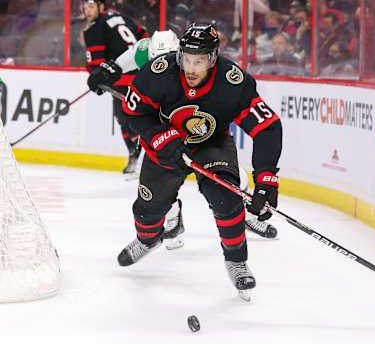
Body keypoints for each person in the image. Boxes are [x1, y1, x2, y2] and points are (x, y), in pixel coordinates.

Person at [116, 23, 282, 298]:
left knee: (227, 199)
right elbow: (133, 110)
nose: (191, 68)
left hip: (211, 143)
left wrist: (266, 178)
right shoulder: (159, 72)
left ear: (213, 59)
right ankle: (148, 239)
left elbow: (267, 127)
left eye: (199, 61)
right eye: (187, 59)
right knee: (147, 212)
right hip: (165, 145)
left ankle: (236, 261)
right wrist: (159, 136)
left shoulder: (232, 82)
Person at [88, 29, 279, 246]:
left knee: (225, 177)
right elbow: (132, 55)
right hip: (163, 126)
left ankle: (247, 212)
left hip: (195, 126)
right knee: (153, 179)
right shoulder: (147, 54)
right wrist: (106, 71)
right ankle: (172, 222)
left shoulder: (189, 61)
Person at [82, 0, 148, 174]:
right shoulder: (122, 17)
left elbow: (97, 68)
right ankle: (142, 155)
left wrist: (95, 80)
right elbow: (145, 38)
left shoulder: (93, 29)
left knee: (124, 118)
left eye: (91, 6)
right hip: (144, 76)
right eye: (85, 7)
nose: (87, 11)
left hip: (122, 80)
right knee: (140, 116)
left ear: (101, 6)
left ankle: (136, 157)